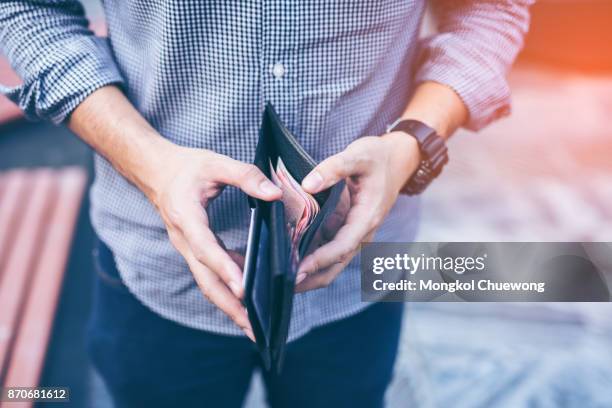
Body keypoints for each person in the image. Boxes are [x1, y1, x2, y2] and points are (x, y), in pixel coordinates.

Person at [0, 1, 532, 406]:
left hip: (360, 270)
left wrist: (413, 140)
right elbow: (28, 9)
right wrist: (151, 166)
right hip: (155, 264)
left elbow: (489, 8)